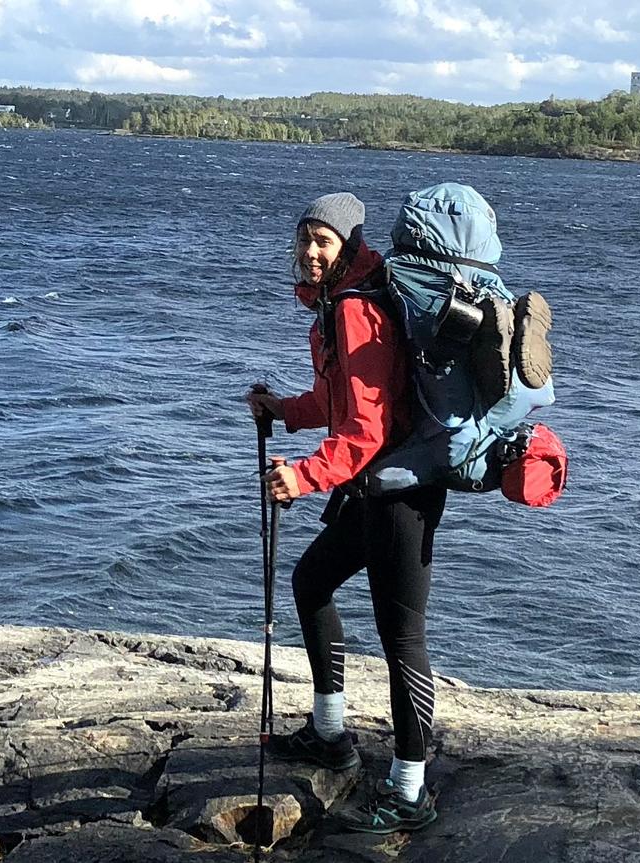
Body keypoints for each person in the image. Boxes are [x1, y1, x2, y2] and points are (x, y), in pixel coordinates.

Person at [247, 192, 446, 834]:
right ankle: (330, 735)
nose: (310, 251)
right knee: (312, 581)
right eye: (304, 238)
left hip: (402, 497)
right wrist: (284, 410)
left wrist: (304, 476)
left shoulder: (358, 310)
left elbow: (367, 429)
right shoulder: (338, 304)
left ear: (348, 246)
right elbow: (338, 404)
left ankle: (410, 791)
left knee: (402, 639)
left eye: (323, 241)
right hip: (369, 488)